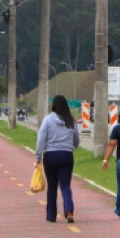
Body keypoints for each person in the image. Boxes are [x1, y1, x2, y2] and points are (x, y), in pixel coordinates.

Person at [35, 95, 81, 223]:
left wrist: (38, 156)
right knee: (65, 185)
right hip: (66, 155)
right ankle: (69, 210)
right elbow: (76, 139)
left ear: (53, 106)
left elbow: (41, 139)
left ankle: (51, 215)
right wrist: (71, 147)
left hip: (50, 156)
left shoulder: (48, 120)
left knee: (52, 186)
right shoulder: (71, 121)